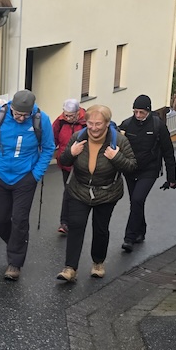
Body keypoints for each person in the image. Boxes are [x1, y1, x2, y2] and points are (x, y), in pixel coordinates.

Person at [0, 89, 56, 281]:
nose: (21, 118)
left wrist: (35, 175)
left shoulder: (41, 119)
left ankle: (15, 263)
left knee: (20, 219)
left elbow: (48, 148)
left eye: (25, 115)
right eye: (17, 114)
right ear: (11, 108)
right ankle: (15, 244)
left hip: (25, 178)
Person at [56, 105, 137, 282]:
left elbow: (132, 167)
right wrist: (71, 153)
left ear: (107, 123)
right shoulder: (78, 137)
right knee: (76, 226)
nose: (93, 128)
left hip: (107, 192)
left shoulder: (119, 141)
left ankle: (98, 263)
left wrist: (116, 157)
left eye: (98, 124)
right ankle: (70, 268)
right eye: (90, 123)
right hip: (79, 189)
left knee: (100, 229)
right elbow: (63, 161)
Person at [117, 94, 176, 253]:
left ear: (148, 111)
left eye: (141, 112)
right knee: (136, 202)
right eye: (135, 112)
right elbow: (116, 145)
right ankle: (141, 231)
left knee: (137, 199)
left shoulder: (158, 126)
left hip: (150, 170)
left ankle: (129, 238)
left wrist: (171, 178)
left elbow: (168, 152)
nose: (138, 115)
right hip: (130, 169)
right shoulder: (126, 125)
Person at [52, 98, 87, 235]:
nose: (68, 118)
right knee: (68, 191)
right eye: (66, 115)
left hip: (82, 163)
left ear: (78, 112)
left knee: (77, 192)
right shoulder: (60, 121)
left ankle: (74, 221)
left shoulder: (86, 121)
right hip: (65, 162)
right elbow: (53, 139)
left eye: (71, 116)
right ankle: (65, 222)